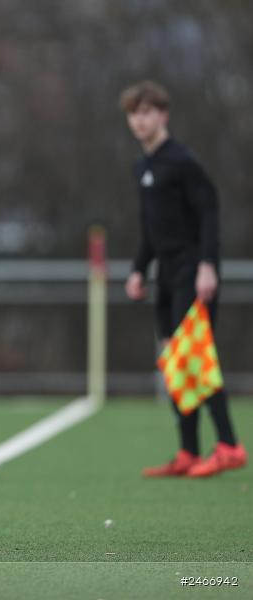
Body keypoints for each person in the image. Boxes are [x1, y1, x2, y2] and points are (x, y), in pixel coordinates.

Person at [120, 80, 246, 478]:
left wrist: (208, 265)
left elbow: (209, 212)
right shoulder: (144, 166)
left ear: (163, 115)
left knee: (196, 358)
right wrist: (139, 268)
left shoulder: (183, 161)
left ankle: (229, 445)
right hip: (166, 274)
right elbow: (150, 228)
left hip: (193, 271)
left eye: (147, 112)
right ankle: (189, 451)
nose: (140, 121)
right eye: (134, 114)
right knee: (174, 362)